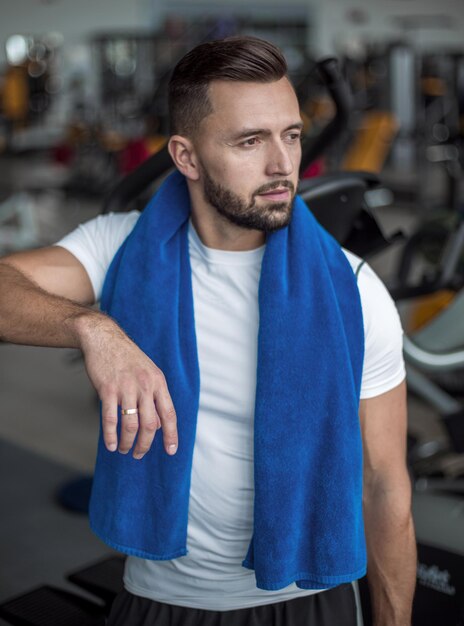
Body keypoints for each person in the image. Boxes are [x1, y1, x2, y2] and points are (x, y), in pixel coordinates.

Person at [0, 36, 416, 626]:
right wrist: (92, 328)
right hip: (162, 597)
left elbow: (385, 486)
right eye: (250, 141)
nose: (282, 165)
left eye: (291, 135)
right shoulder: (118, 246)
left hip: (307, 600)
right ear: (186, 157)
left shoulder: (353, 288)